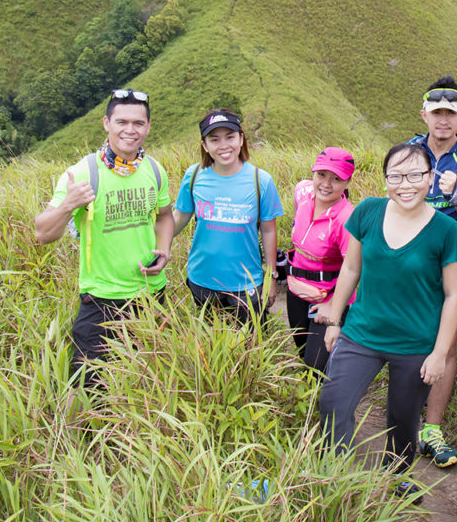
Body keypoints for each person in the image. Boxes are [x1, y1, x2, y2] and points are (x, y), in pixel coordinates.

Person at [318, 142, 457, 500]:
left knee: (403, 419)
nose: (406, 184)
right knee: (332, 403)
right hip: (362, 334)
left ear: (430, 178)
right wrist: (335, 319)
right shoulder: (368, 211)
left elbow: (454, 296)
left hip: (415, 343)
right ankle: (335, 476)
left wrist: (439, 353)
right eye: (396, 175)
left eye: (416, 174)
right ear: (385, 179)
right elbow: (351, 267)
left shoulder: (445, 230)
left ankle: (396, 475)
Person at [33, 88, 174, 388]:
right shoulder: (82, 173)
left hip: (151, 294)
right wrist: (69, 204)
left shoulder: (154, 170)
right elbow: (42, 233)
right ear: (106, 123)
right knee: (84, 385)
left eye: (138, 123)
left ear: (148, 126)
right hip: (101, 299)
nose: (130, 130)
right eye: (121, 122)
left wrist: (163, 251)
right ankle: (70, 436)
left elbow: (164, 215)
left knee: (149, 379)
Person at [407, 75, 457, 468]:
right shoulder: (408, 151)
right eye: (436, 112)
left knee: (446, 343)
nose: (443, 120)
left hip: (447, 260)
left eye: (450, 114)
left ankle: (433, 429)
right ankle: (404, 421)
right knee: (405, 337)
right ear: (424, 114)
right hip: (406, 255)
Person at [172, 108, 283, 325]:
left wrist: (270, 277)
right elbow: (179, 218)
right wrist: (153, 242)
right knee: (211, 346)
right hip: (202, 279)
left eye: (230, 137)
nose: (224, 145)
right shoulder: (193, 176)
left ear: (241, 139)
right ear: (204, 145)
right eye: (214, 139)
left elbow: (269, 230)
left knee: (251, 345)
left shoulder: (261, 180)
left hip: (246, 282)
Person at [286, 146, 357, 373]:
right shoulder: (303, 192)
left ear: (347, 183)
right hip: (296, 290)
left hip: (327, 296)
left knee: (316, 364)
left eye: (336, 178)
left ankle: (327, 401)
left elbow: (356, 269)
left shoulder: (346, 219)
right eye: (321, 175)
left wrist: (332, 305)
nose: (326, 184)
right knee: (302, 351)